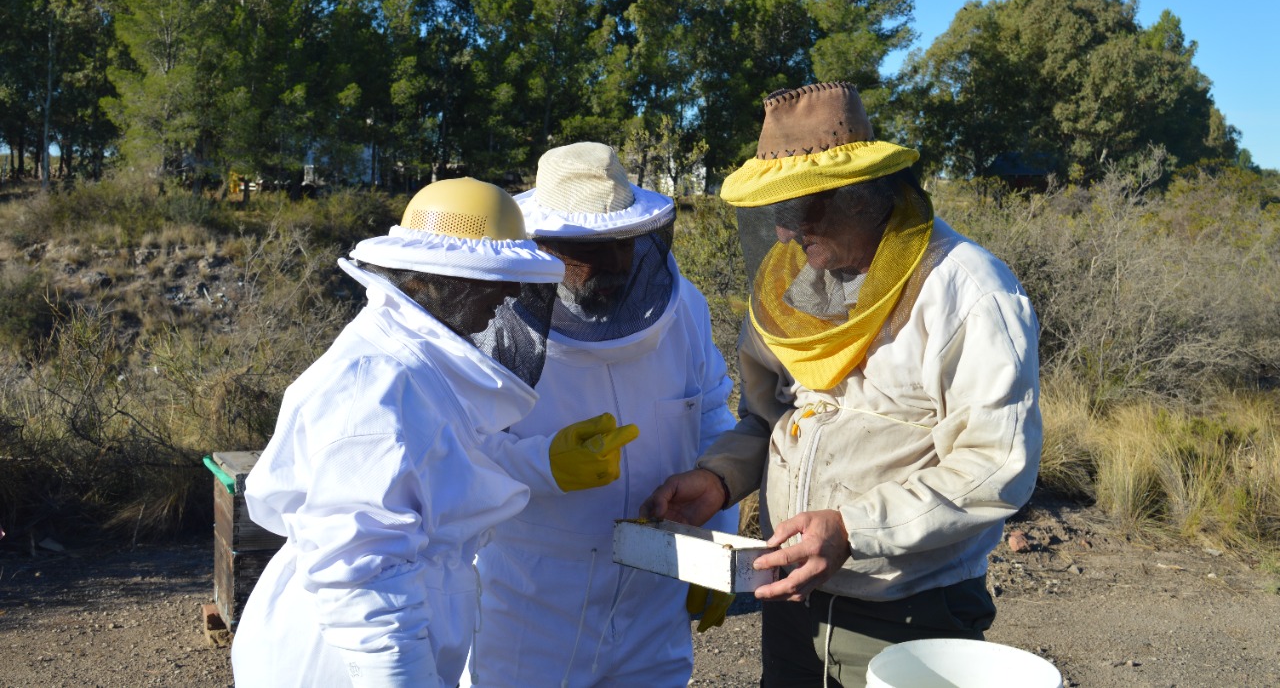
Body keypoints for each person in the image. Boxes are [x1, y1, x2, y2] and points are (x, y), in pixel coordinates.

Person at [643, 82, 1043, 687]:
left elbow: (995, 463)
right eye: (772, 213)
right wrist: (719, 478)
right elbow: (767, 417)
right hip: (792, 599)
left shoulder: (968, 288)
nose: (782, 235)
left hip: (907, 611)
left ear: (860, 196)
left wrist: (855, 529)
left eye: (797, 211)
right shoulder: (794, 286)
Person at [231, 178, 639, 688]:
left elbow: (449, 462)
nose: (512, 293)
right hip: (338, 660)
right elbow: (362, 575)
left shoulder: (414, 362)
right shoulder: (374, 386)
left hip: (401, 626)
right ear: (441, 278)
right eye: (497, 276)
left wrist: (545, 462)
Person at [466, 142, 739, 687]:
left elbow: (711, 417)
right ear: (541, 243)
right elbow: (457, 452)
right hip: (530, 601)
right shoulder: (490, 322)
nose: (613, 263)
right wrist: (543, 464)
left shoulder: (685, 309)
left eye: (622, 242)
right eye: (586, 247)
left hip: (654, 595)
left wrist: (718, 542)